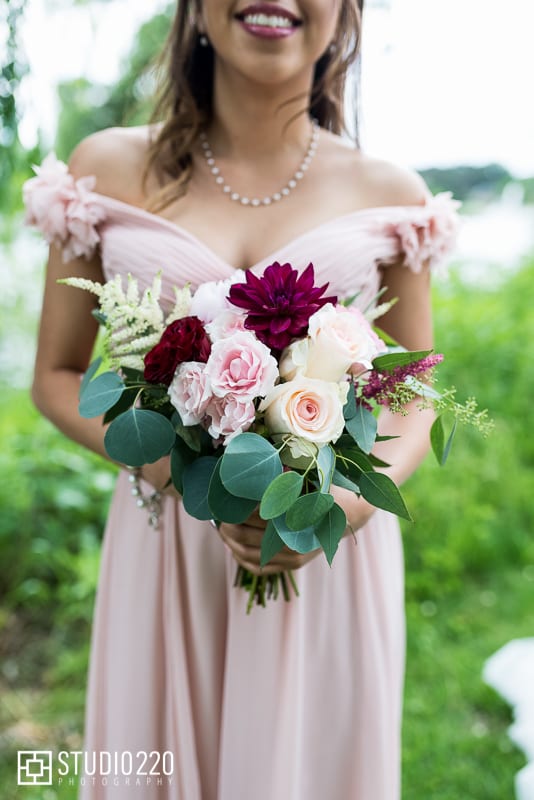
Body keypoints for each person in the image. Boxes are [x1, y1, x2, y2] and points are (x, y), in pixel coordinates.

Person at [24, 1, 460, 798]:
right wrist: (183, 475)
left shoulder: (390, 192)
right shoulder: (104, 170)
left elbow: (416, 393)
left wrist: (339, 509)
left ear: (346, 13)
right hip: (167, 548)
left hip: (324, 549)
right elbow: (55, 376)